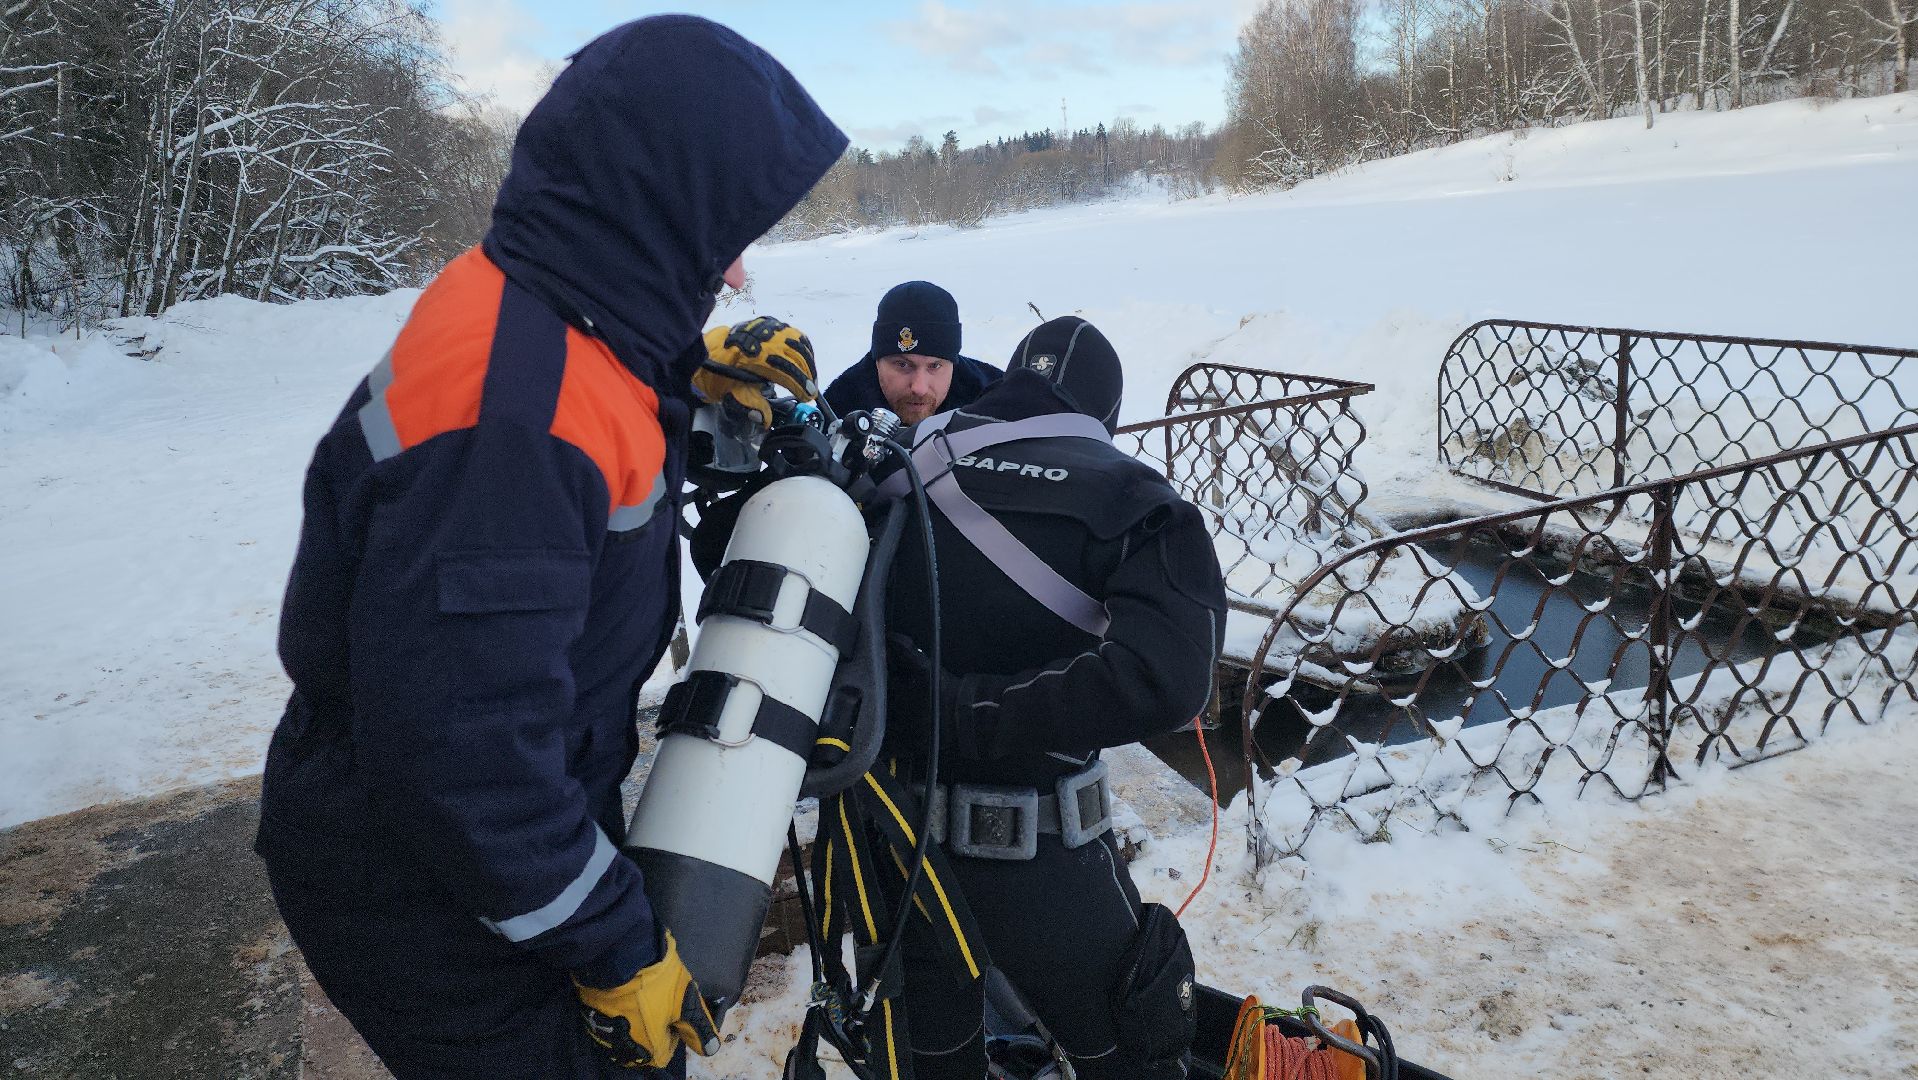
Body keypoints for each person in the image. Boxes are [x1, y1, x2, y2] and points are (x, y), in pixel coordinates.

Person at [253, 16, 845, 1079]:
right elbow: (465, 756)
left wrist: (676, 376)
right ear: (664, 201)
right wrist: (614, 944)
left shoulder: (539, 306)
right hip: (423, 872)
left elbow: (577, 451)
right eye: (725, 233)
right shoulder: (511, 418)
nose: (740, 268)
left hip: (459, 834)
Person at [876, 316, 1228, 1079]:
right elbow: (1168, 680)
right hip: (1040, 861)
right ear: (1105, 417)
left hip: (893, 855)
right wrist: (976, 712)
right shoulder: (1132, 496)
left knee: (930, 1060)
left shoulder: (890, 463)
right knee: (1135, 1054)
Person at [820, 280, 1003, 423]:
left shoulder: (995, 397)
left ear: (953, 363)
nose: (919, 388)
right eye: (903, 365)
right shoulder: (836, 412)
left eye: (935, 366)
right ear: (877, 361)